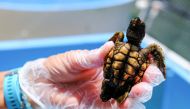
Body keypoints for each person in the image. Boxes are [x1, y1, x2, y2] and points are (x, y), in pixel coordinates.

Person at [0, 41, 165, 109]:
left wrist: (24, 88)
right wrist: (31, 85)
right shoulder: (123, 43)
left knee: (127, 96)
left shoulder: (124, 44)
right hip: (108, 80)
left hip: (110, 78)